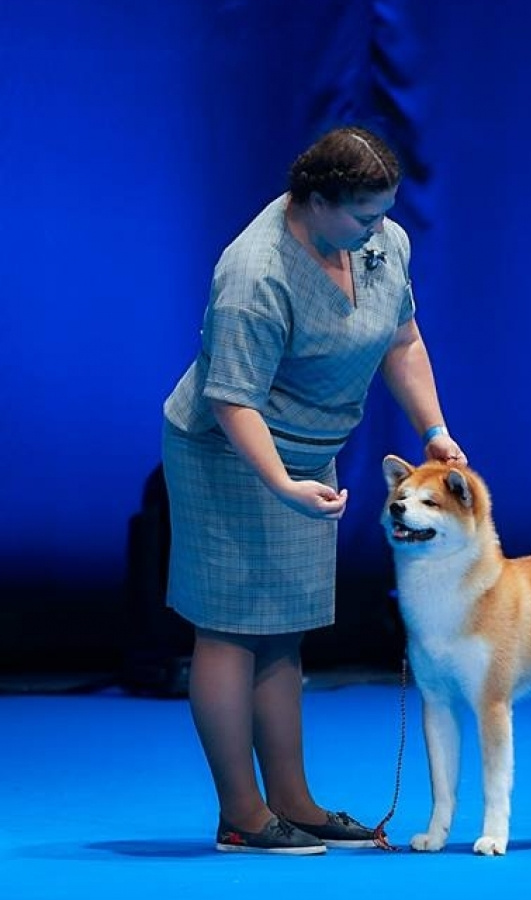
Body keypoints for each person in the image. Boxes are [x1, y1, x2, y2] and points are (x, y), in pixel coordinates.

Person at [162, 125, 467, 855]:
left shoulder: (381, 242)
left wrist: (434, 430)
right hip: (229, 452)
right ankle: (241, 813)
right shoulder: (254, 272)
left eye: (385, 213)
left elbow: (403, 340)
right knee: (231, 627)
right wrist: (282, 484)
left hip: (308, 455)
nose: (379, 229)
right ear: (316, 200)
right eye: (364, 215)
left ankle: (293, 802)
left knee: (285, 626)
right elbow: (234, 401)